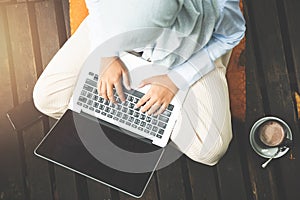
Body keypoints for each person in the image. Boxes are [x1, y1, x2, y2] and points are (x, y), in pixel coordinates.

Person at [33, 0, 245, 165]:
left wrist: (175, 80)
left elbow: (231, 36)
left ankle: (146, 125)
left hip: (188, 51)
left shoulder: (219, 5)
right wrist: (106, 53)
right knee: (46, 98)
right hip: (110, 30)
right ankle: (144, 128)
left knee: (210, 150)